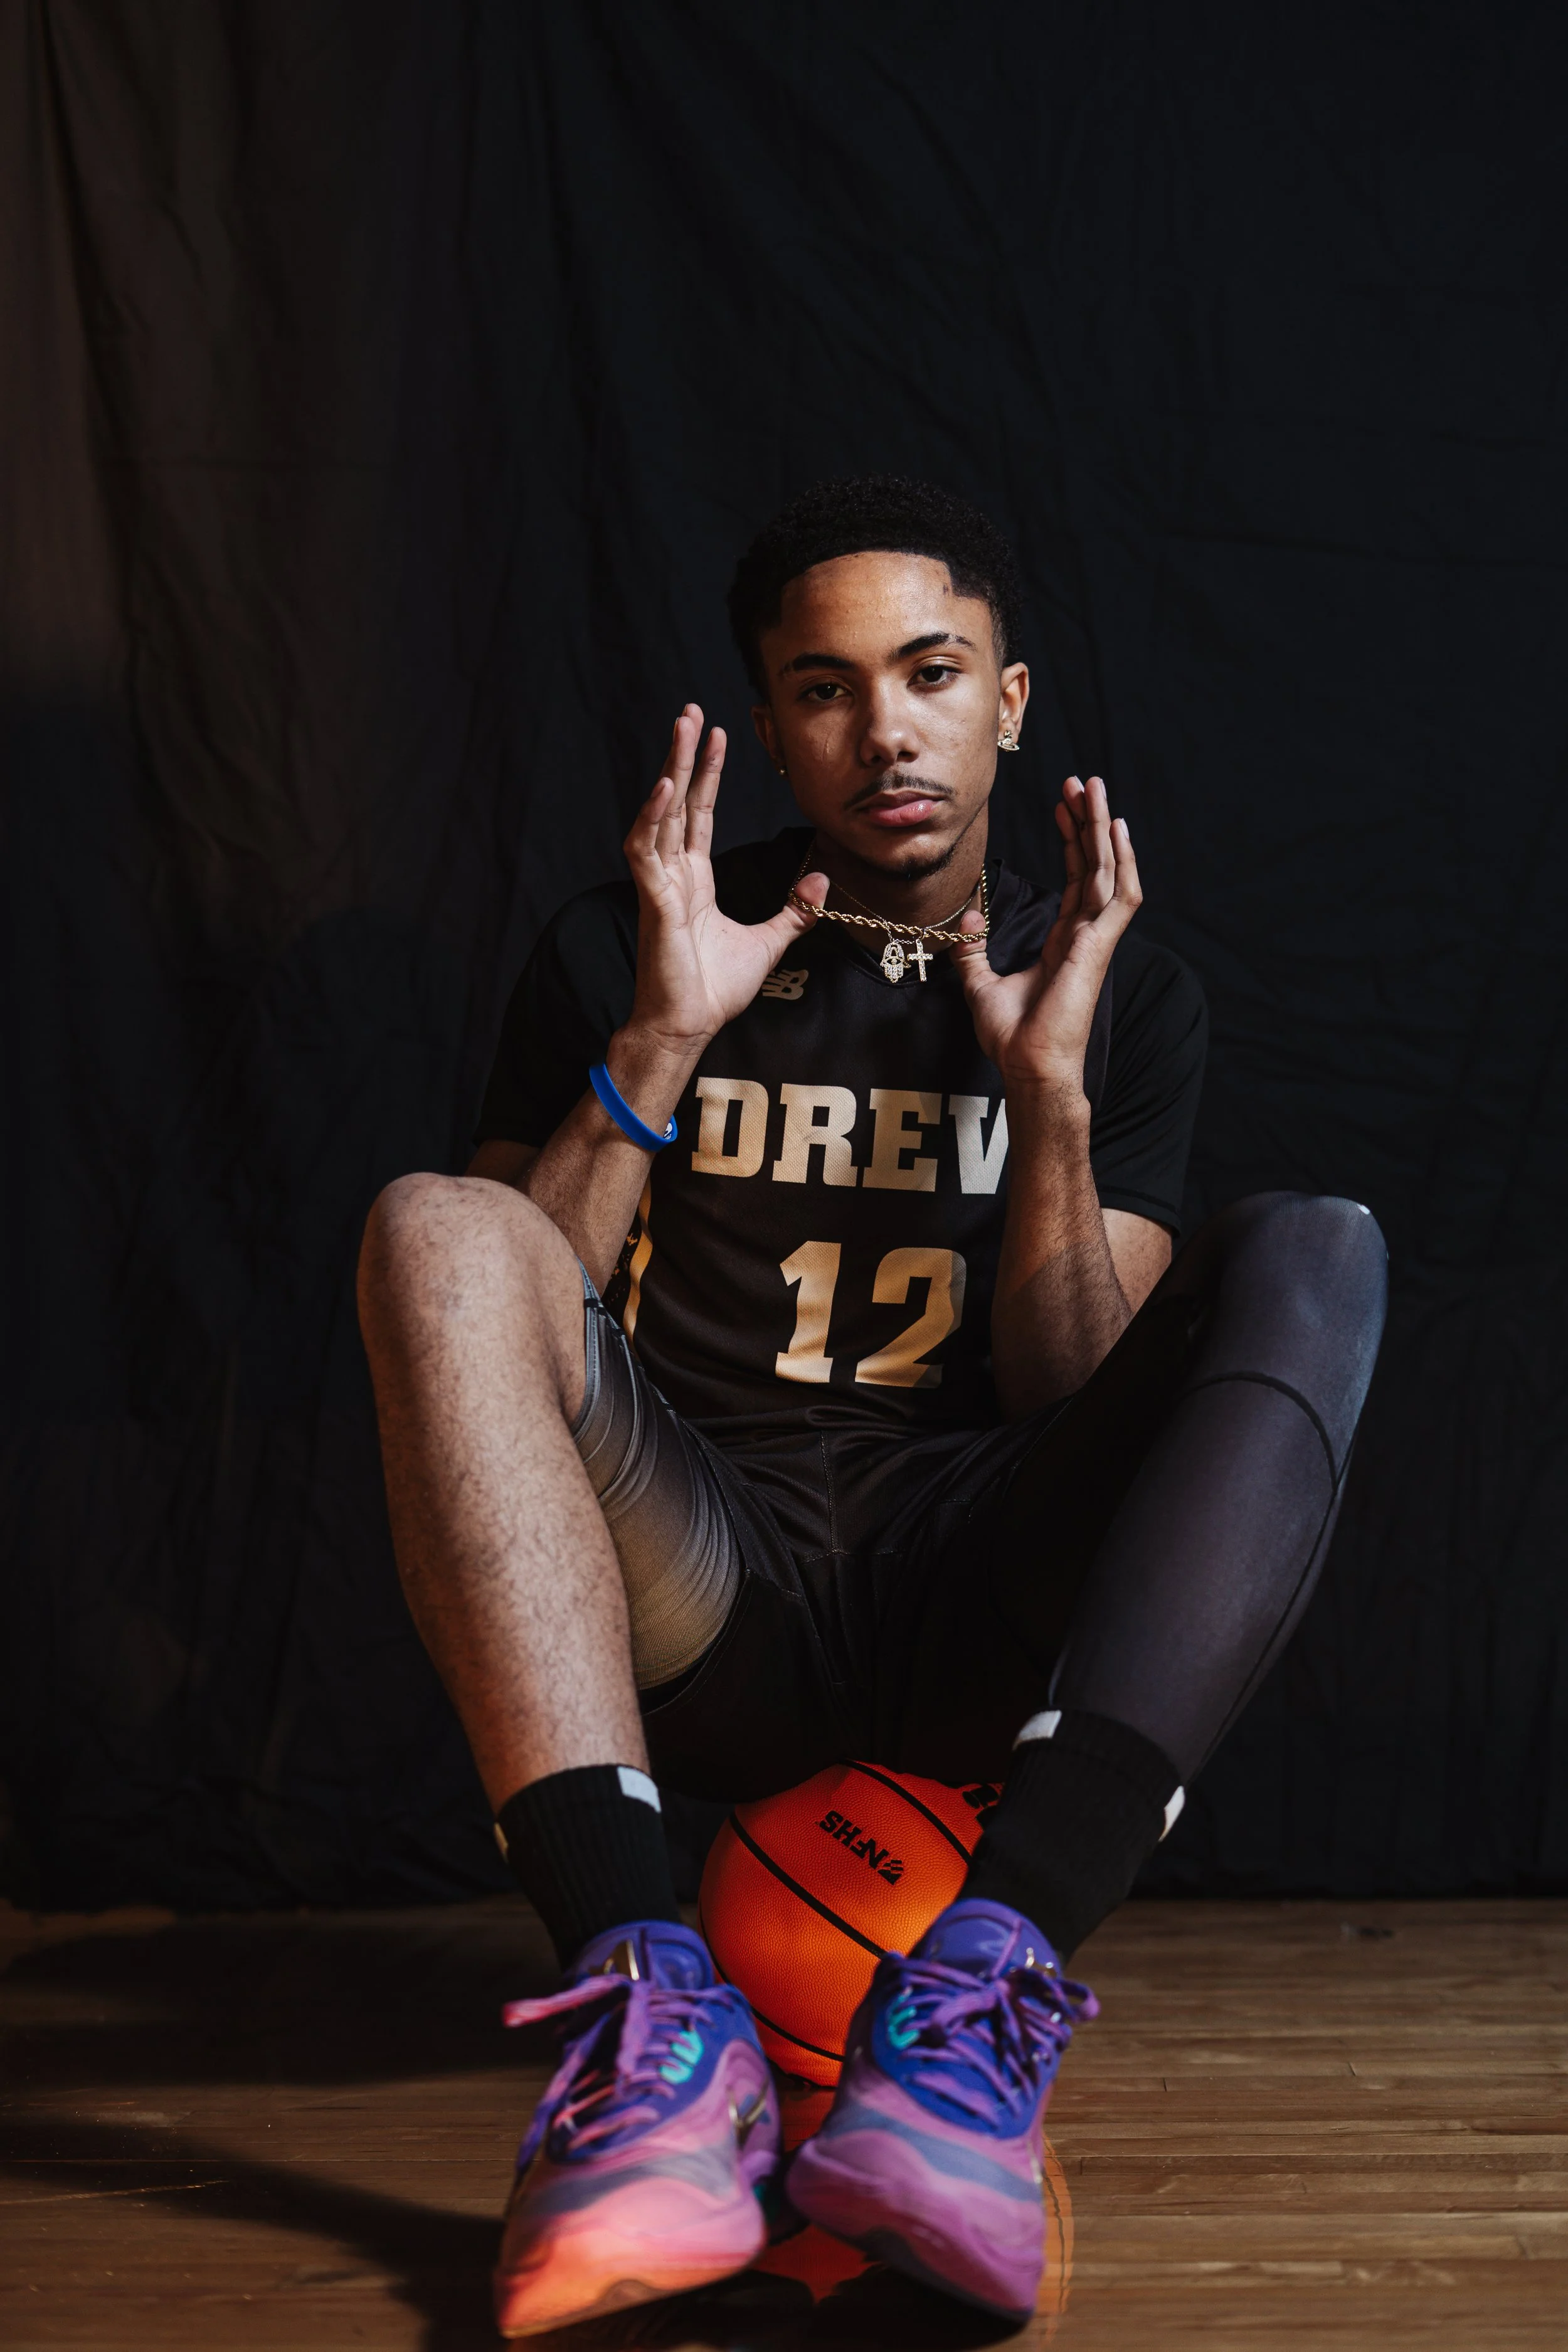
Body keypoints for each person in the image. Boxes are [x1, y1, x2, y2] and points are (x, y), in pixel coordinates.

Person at [358, 476, 1387, 2336]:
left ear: (1003, 699)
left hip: (970, 1589)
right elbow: (504, 1317)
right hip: (702, 1584)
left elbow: (1077, 1391)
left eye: (929, 672)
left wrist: (1049, 1097)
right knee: (435, 1225)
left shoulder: (1116, 988)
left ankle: (981, 1996)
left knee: (1320, 1243)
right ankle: (649, 2010)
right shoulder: (632, 939)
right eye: (822, 686)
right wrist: (660, 1039)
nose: (884, 726)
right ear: (769, 724)